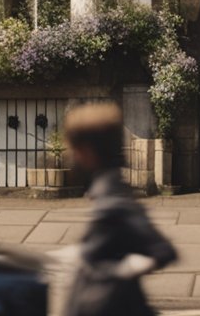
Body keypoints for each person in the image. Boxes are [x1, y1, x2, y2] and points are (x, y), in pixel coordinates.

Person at [63, 102, 176, 316]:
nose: (72, 156)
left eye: (74, 149)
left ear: (87, 152)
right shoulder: (108, 195)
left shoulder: (112, 203)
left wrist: (120, 271)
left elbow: (163, 251)